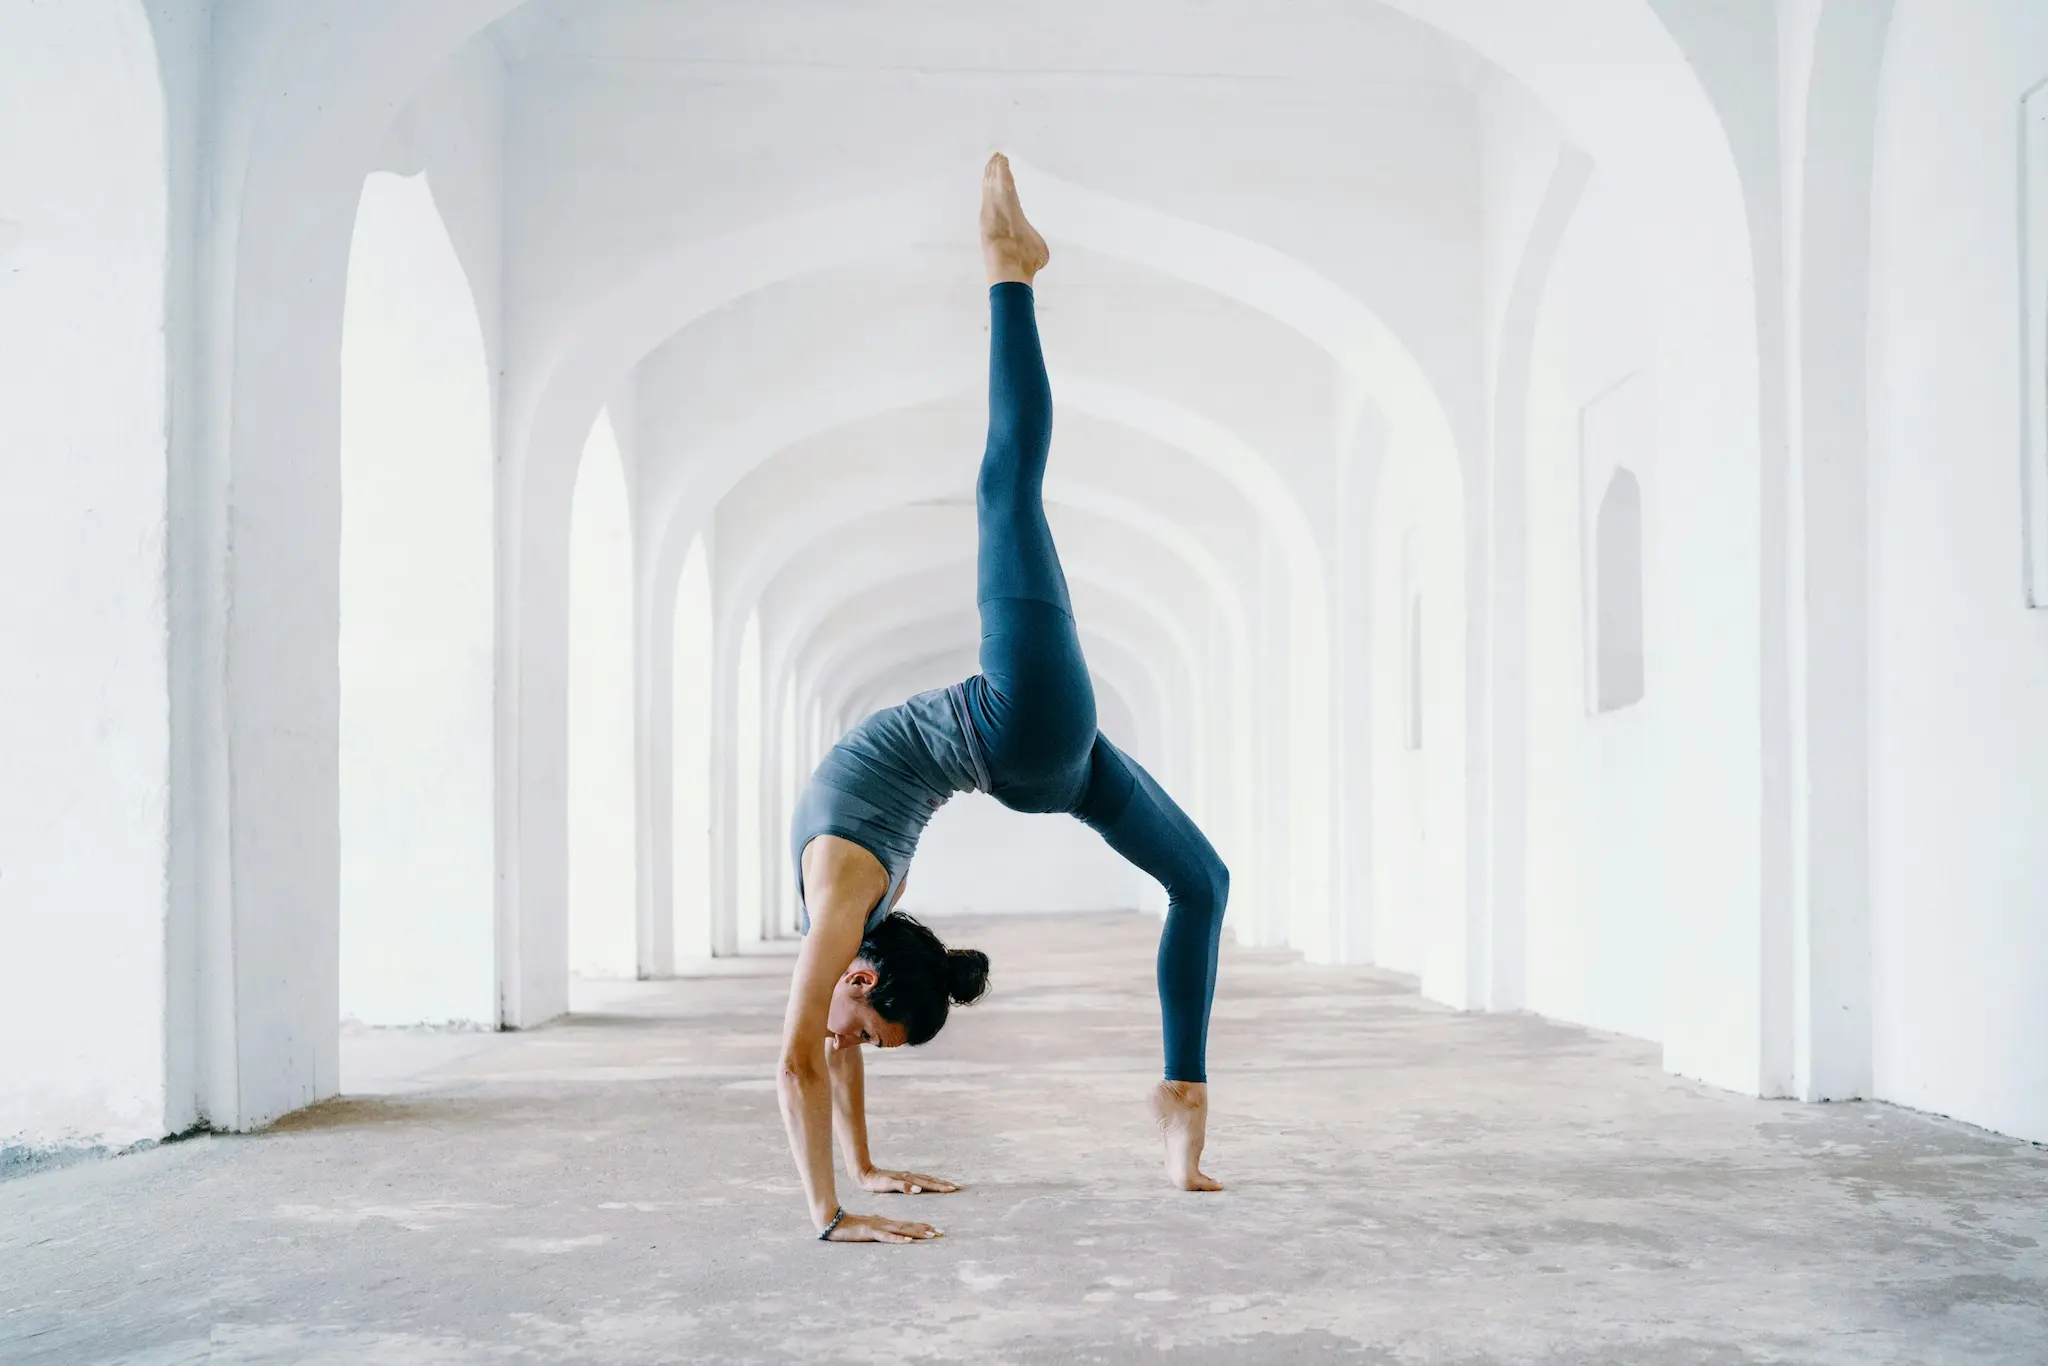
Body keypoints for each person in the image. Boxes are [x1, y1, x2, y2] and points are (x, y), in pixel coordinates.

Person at [776, 154, 1231, 1244]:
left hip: (1028, 735)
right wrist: (862, 1174)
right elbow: (830, 1045)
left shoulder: (842, 898)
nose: (852, 1042)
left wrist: (836, 1208)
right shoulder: (854, 933)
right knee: (1006, 490)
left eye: (867, 1032)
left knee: (1202, 881)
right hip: (1028, 735)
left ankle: (1007, 271)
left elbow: (796, 1055)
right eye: (875, 1036)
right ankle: (1007, 272)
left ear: (864, 973)